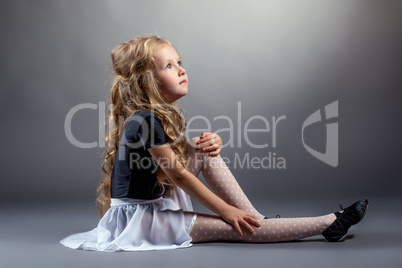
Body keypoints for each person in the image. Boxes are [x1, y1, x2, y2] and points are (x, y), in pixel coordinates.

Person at [60, 35, 368, 252]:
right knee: (238, 229)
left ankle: (257, 221)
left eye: (179, 62)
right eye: (168, 66)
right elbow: (178, 175)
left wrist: (208, 143)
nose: (181, 69)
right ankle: (330, 223)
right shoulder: (144, 120)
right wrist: (226, 211)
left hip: (154, 201)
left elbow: (174, 163)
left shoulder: (150, 117)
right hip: (145, 221)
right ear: (145, 82)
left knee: (205, 154)